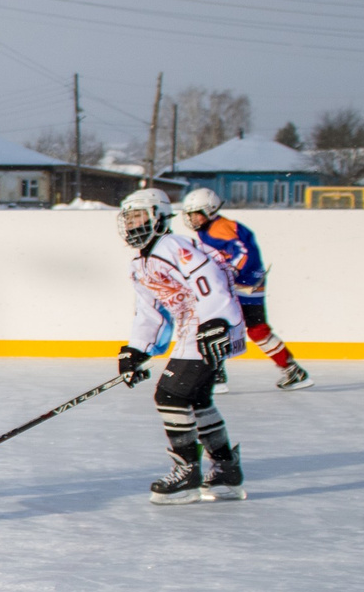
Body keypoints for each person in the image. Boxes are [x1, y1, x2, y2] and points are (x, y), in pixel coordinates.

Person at [113, 187, 248, 504]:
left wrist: (216, 321)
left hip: (211, 324)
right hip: (193, 328)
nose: (133, 225)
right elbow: (151, 312)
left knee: (170, 394)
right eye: (128, 219)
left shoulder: (172, 245)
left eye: (139, 217)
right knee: (197, 398)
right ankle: (226, 469)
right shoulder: (140, 264)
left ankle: (186, 472)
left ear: (159, 217)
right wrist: (136, 350)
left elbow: (209, 279)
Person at [180, 187, 311, 390]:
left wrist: (230, 271)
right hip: (249, 283)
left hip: (243, 285)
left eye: (196, 214)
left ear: (210, 210)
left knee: (217, 324)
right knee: (253, 328)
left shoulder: (218, 228)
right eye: (190, 215)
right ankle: (292, 370)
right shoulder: (212, 228)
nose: (192, 219)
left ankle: (216, 375)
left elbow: (243, 251)